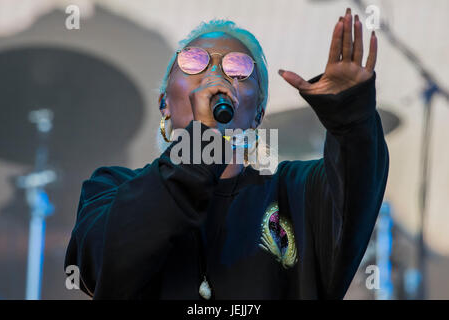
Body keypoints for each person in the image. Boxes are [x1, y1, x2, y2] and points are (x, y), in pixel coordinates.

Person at [65, 8, 389, 299]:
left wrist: (349, 113)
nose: (215, 75)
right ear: (164, 103)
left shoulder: (297, 192)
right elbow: (102, 269)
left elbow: (356, 185)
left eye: (237, 66)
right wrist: (201, 142)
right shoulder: (110, 189)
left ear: (257, 114)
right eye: (193, 61)